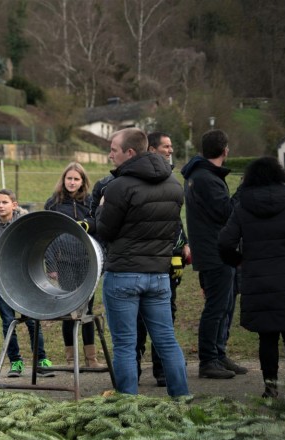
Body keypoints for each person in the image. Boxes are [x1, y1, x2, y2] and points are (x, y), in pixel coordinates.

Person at [94, 127, 189, 397]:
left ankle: (128, 406)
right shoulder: (173, 184)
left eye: (114, 150)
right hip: (159, 276)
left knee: (125, 345)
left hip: (124, 275)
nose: (110, 154)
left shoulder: (118, 187)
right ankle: (182, 398)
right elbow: (172, 230)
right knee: (167, 341)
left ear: (130, 152)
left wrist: (101, 208)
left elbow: (106, 231)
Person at [218, 156, 285, 397]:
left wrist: (238, 262)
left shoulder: (242, 209)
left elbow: (224, 242)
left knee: (267, 337)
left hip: (258, 280)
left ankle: (271, 388)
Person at [183, 129, 246, 379]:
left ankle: (219, 354)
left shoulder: (202, 175)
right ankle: (208, 360)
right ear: (225, 150)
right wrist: (242, 190)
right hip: (214, 252)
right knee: (216, 307)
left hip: (218, 251)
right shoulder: (205, 178)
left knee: (227, 305)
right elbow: (227, 212)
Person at [135, 131, 191, 386]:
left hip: (170, 262)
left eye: (171, 146)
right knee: (138, 319)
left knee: (165, 316)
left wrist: (184, 242)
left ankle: (161, 370)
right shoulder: (139, 179)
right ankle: (133, 369)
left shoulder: (171, 178)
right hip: (144, 261)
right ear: (152, 149)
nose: (170, 150)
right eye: (166, 146)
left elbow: (174, 217)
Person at [0, 189, 52, 378]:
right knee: (8, 321)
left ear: (14, 204)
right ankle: (16, 362)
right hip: (3, 283)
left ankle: (40, 360)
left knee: (32, 321)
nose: (1, 206)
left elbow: (36, 248)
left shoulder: (24, 226)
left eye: (5, 202)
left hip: (26, 281)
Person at [43, 162, 99, 368]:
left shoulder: (91, 203)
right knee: (69, 310)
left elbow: (98, 231)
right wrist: (51, 265)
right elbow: (46, 236)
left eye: (76, 179)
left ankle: (91, 360)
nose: (72, 182)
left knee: (87, 310)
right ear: (63, 180)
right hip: (63, 263)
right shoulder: (53, 204)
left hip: (86, 263)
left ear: (83, 181)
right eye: (69, 178)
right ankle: (70, 360)